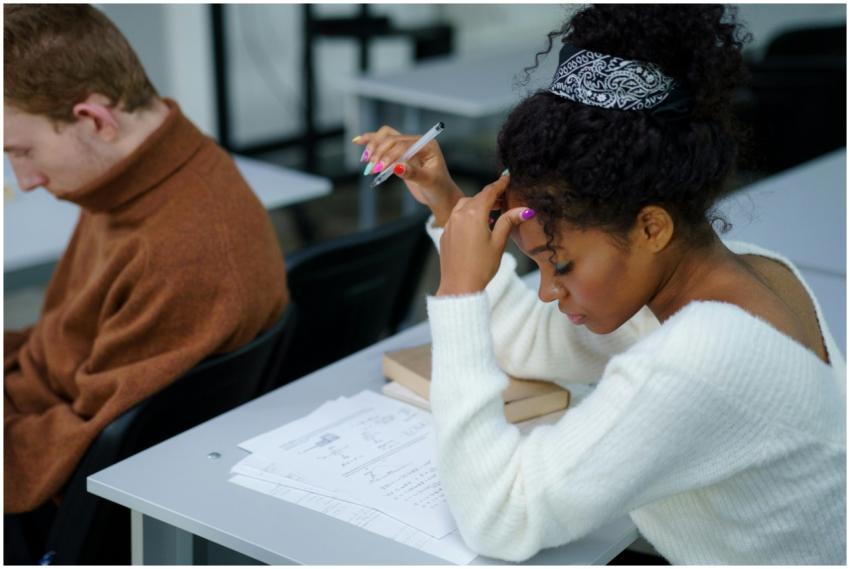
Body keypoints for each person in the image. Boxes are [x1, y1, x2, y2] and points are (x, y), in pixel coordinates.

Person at [353, 4, 845, 565]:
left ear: (652, 227)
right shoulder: (750, 274)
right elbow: (528, 342)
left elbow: (499, 517)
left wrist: (460, 292)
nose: (547, 291)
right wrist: (448, 205)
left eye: (559, 265)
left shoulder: (702, 354)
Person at [4, 4, 288, 561]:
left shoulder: (186, 251)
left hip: (50, 485)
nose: (25, 180)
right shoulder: (134, 177)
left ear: (94, 120)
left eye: (23, 151)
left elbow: (91, 446)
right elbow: (64, 342)